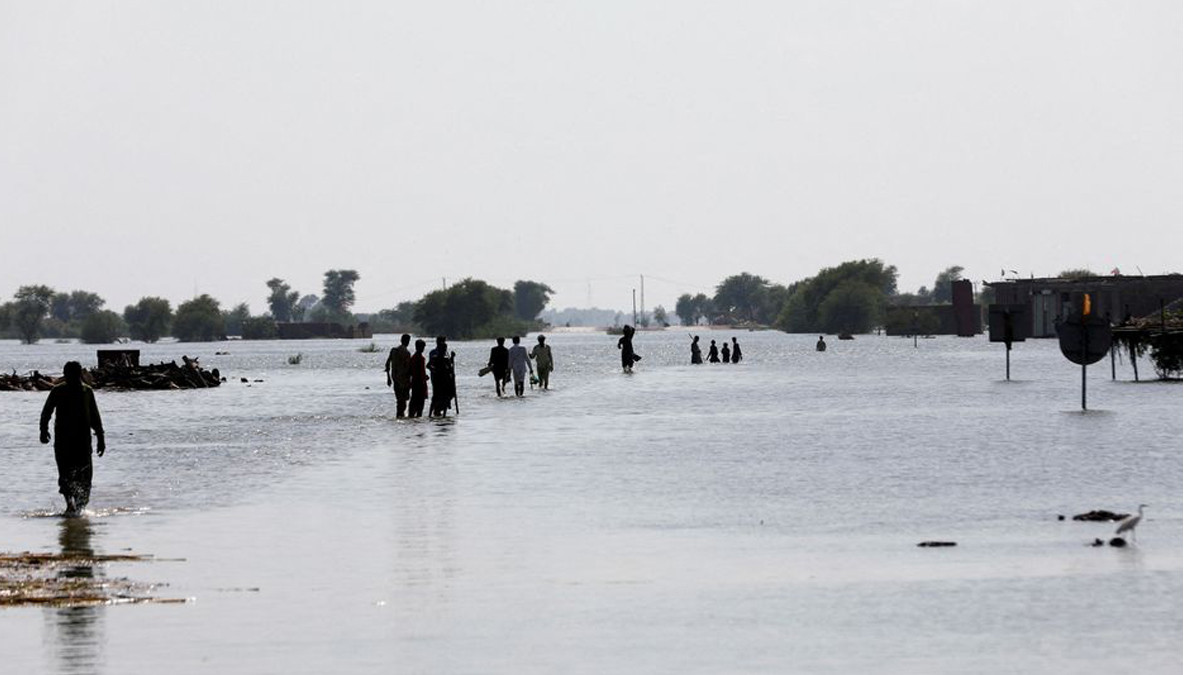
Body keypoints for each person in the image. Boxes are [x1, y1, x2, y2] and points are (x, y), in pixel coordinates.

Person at [39, 361, 105, 516]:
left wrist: (101, 438)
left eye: (73, 374)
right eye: (67, 374)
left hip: (83, 442)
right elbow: (46, 411)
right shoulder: (58, 391)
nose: (70, 378)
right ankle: (70, 505)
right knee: (65, 474)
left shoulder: (86, 391)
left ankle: (80, 508)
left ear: (79, 375)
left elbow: (95, 416)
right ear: (65, 375)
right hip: (63, 442)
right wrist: (43, 430)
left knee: (85, 476)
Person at [384, 334, 412, 418]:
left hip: (395, 379)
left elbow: (387, 364)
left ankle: (399, 416)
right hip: (403, 380)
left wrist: (388, 378)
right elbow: (408, 368)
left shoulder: (394, 351)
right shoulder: (406, 353)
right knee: (402, 401)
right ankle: (400, 416)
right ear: (407, 341)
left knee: (399, 400)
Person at [427, 336, 455, 417]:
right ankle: (432, 413)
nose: (444, 351)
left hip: (445, 381)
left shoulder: (446, 358)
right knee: (435, 397)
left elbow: (450, 367)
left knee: (446, 397)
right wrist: (435, 371)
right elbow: (428, 365)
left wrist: (452, 358)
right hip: (437, 380)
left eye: (445, 349)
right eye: (442, 349)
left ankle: (442, 413)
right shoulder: (434, 357)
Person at [407, 340, 429, 417]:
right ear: (417, 347)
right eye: (422, 347)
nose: (423, 349)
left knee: (414, 402)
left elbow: (411, 371)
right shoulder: (419, 358)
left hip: (415, 383)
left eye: (423, 347)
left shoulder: (413, 358)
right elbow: (418, 372)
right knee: (419, 404)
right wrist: (424, 378)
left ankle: (412, 417)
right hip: (419, 384)